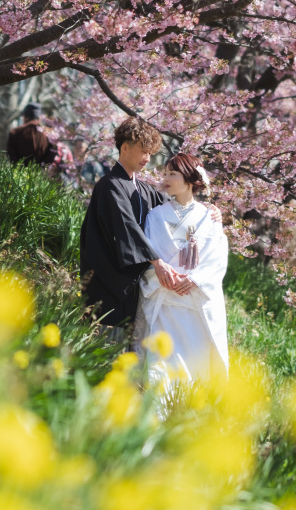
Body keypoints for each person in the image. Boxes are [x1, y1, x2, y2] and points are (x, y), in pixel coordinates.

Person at [79, 117, 189, 341]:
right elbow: (126, 226)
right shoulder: (109, 185)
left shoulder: (143, 190)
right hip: (107, 279)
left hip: (130, 284)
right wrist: (157, 263)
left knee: (126, 349)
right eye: (143, 151)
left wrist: (206, 210)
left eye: (150, 153)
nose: (147, 158)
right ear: (125, 147)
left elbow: (173, 208)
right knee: (103, 346)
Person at [134, 152, 229, 386]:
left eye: (172, 173)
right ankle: (158, 417)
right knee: (161, 369)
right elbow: (149, 251)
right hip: (165, 302)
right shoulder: (156, 215)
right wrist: (164, 276)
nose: (165, 177)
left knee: (195, 369)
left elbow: (217, 257)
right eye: (165, 172)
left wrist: (196, 279)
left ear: (189, 179)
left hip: (194, 304)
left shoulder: (209, 216)